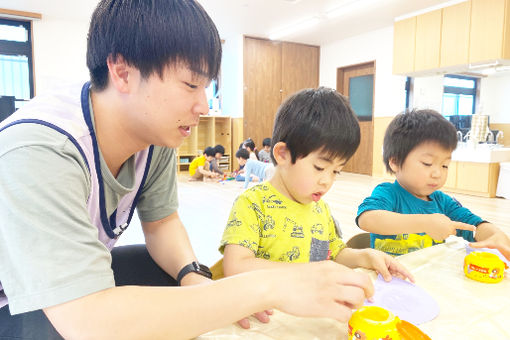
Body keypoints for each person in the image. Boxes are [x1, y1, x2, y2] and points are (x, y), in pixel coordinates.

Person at [0, 1, 373, 339]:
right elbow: (86, 320)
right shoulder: (42, 150)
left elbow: (161, 223)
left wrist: (193, 277)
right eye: (191, 84)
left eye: (206, 86)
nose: (203, 104)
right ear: (123, 71)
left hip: (59, 295)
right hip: (13, 303)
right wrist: (267, 288)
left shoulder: (154, 134)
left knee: (167, 276)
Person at [220, 87, 413, 328]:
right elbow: (236, 266)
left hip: (312, 318)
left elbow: (336, 254)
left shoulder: (320, 209)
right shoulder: (253, 203)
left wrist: (366, 256)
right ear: (282, 154)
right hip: (269, 319)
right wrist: (307, 274)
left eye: (336, 171)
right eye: (320, 168)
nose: (327, 181)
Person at [356, 109, 510, 256]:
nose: (438, 173)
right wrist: (424, 223)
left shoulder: (442, 202)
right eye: (427, 163)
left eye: (444, 165)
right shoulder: (388, 193)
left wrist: (495, 234)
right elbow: (367, 219)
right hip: (390, 279)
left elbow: (473, 225)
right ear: (395, 162)